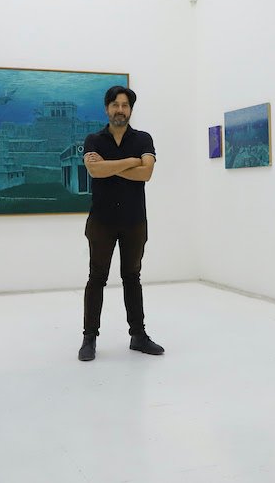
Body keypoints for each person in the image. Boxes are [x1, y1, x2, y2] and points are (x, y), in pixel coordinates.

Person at [78, 85, 164, 361]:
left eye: (125, 105)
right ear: (107, 108)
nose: (120, 110)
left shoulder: (143, 138)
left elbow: (146, 173)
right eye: (115, 104)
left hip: (134, 221)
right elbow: (94, 170)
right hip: (101, 221)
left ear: (130, 110)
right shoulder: (93, 139)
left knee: (132, 278)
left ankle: (138, 335)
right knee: (96, 278)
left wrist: (110, 166)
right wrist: (130, 161)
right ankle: (89, 338)